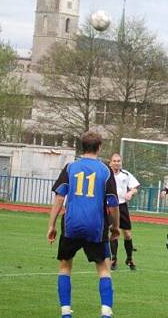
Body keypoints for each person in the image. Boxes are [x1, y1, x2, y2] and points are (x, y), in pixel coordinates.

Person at [47, 131, 120, 318]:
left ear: (82, 146)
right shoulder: (105, 170)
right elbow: (112, 205)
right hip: (96, 226)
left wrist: (52, 225)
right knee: (103, 268)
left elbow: (59, 197)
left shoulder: (71, 167)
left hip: (71, 224)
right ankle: (106, 313)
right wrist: (115, 227)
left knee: (65, 267)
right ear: (100, 147)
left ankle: (65, 313)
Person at [108, 153, 140, 271]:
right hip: (110, 206)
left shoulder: (126, 174)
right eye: (114, 161)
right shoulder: (106, 174)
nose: (117, 163)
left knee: (127, 234)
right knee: (113, 231)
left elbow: (135, 188)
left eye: (118, 161)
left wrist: (130, 193)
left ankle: (129, 258)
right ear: (110, 162)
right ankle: (114, 259)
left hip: (122, 206)